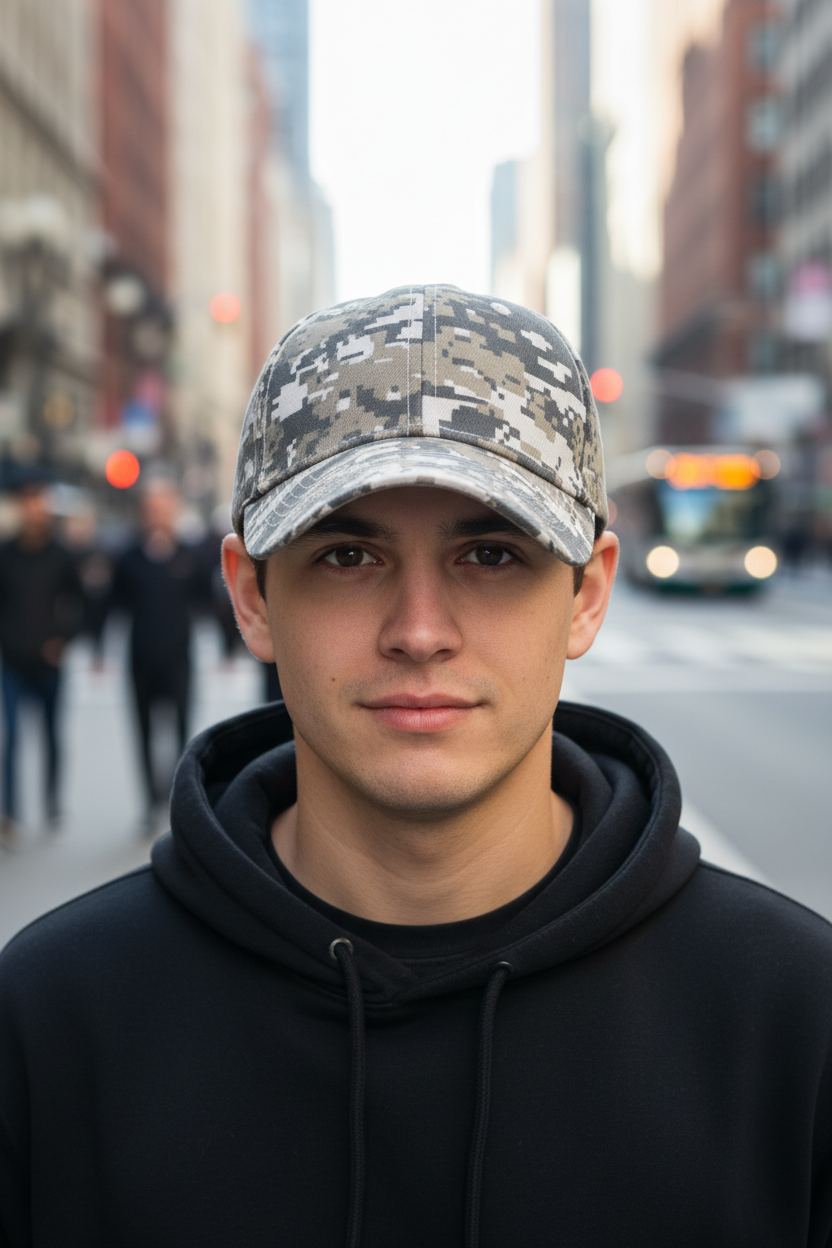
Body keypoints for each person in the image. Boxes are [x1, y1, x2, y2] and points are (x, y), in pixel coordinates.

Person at [1, 286, 831, 1246]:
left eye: (492, 554)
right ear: (252, 597)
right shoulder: (53, 1021)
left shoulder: (793, 1022)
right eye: (349, 556)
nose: (420, 631)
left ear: (587, 596)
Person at [107, 476, 203, 830]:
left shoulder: (188, 554)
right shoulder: (129, 556)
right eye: (150, 507)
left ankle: (179, 797)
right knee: (143, 732)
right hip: (140, 657)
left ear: (173, 510)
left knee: (181, 732)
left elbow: (208, 599)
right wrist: (98, 646)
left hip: (179, 658)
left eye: (163, 507)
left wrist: (229, 643)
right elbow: (113, 602)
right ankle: (149, 801)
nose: (157, 513)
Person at [0, 476, 83, 841]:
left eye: (41, 501)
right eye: (29, 501)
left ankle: (51, 801)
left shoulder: (61, 554)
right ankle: (11, 813)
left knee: (51, 734)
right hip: (12, 661)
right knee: (12, 737)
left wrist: (63, 639)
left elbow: (80, 601)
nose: (35, 509)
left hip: (50, 662)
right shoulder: (6, 553)